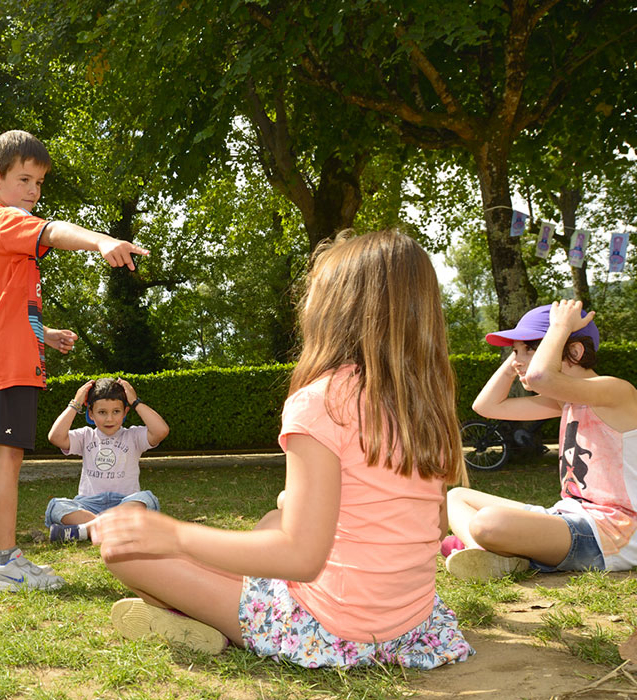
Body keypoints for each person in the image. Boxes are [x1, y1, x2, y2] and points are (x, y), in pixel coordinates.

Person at [90, 230, 473, 670]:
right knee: (275, 518)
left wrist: (174, 535)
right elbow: (430, 524)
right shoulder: (424, 404)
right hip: (413, 624)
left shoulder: (323, 402)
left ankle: (201, 618)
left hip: (332, 631)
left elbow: (301, 558)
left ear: (333, 309)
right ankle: (201, 615)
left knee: (124, 552)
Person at [0, 129, 149, 591]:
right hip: (4, 365)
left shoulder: (5, 232)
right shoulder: (5, 220)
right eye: (24, 180)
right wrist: (101, 241)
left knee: (2, 461)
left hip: (5, 359)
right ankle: (3, 561)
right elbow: (54, 231)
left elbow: (5, 307)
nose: (33, 191)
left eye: (39, 183)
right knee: (5, 461)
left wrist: (43, 335)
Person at [445, 300, 637, 580]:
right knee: (456, 496)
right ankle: (484, 553)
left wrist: (560, 327)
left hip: (613, 533)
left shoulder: (616, 392)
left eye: (531, 348)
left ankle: (492, 547)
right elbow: (486, 406)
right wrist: (517, 361)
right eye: (515, 351)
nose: (518, 360)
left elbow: (540, 377)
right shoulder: (564, 402)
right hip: (568, 518)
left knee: (488, 522)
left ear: (575, 352)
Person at [45, 377, 168, 542]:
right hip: (87, 505)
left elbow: (161, 431)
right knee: (56, 506)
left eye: (116, 411)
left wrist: (135, 401)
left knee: (145, 499)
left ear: (125, 412)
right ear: (91, 413)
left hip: (124, 503)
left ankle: (86, 530)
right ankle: (113, 528)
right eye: (102, 412)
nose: (109, 419)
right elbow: (55, 437)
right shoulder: (85, 436)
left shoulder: (133, 436)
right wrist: (75, 403)